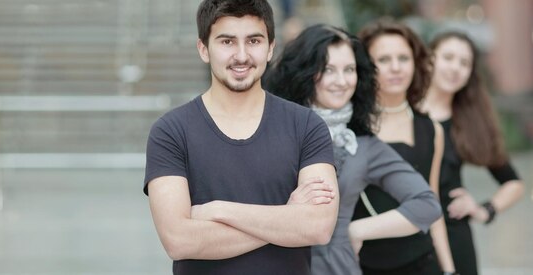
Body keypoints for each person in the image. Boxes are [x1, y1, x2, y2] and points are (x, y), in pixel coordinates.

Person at [143, 1, 340, 274]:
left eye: (254, 41)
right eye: (227, 42)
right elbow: (179, 241)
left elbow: (318, 227)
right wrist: (287, 217)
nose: (242, 55)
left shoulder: (306, 126)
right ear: (203, 49)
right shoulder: (171, 131)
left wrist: (219, 210)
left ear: (271, 47)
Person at [264, 24, 442, 275]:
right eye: (328, 70)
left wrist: (355, 230)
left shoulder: (362, 145)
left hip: (336, 265)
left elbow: (427, 204)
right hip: (274, 262)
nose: (342, 81)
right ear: (304, 72)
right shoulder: (271, 130)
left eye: (349, 70)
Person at [350, 18, 456, 275]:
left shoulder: (431, 129)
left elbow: (433, 203)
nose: (396, 68)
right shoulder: (349, 128)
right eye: (384, 60)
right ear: (365, 67)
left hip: (422, 260)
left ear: (416, 63)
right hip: (363, 263)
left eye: (404, 58)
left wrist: (450, 269)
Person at [421, 31, 525, 275]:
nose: (455, 68)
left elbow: (513, 182)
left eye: (464, 63)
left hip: (454, 235)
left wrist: (484, 209)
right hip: (402, 235)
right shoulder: (403, 111)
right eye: (448, 57)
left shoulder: (469, 120)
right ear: (429, 59)